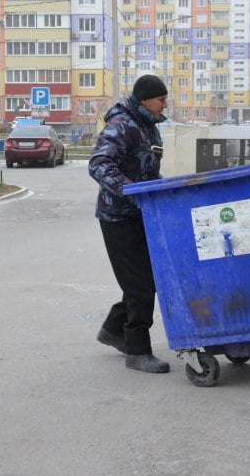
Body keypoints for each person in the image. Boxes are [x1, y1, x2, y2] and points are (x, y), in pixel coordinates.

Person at [88, 74, 170, 374]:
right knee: (140, 285)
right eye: (161, 99)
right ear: (146, 99)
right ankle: (137, 350)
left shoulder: (147, 127)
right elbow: (98, 164)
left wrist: (161, 189)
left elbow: (144, 170)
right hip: (118, 217)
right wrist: (130, 192)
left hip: (139, 214)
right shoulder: (122, 125)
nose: (165, 104)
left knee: (144, 280)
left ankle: (113, 328)